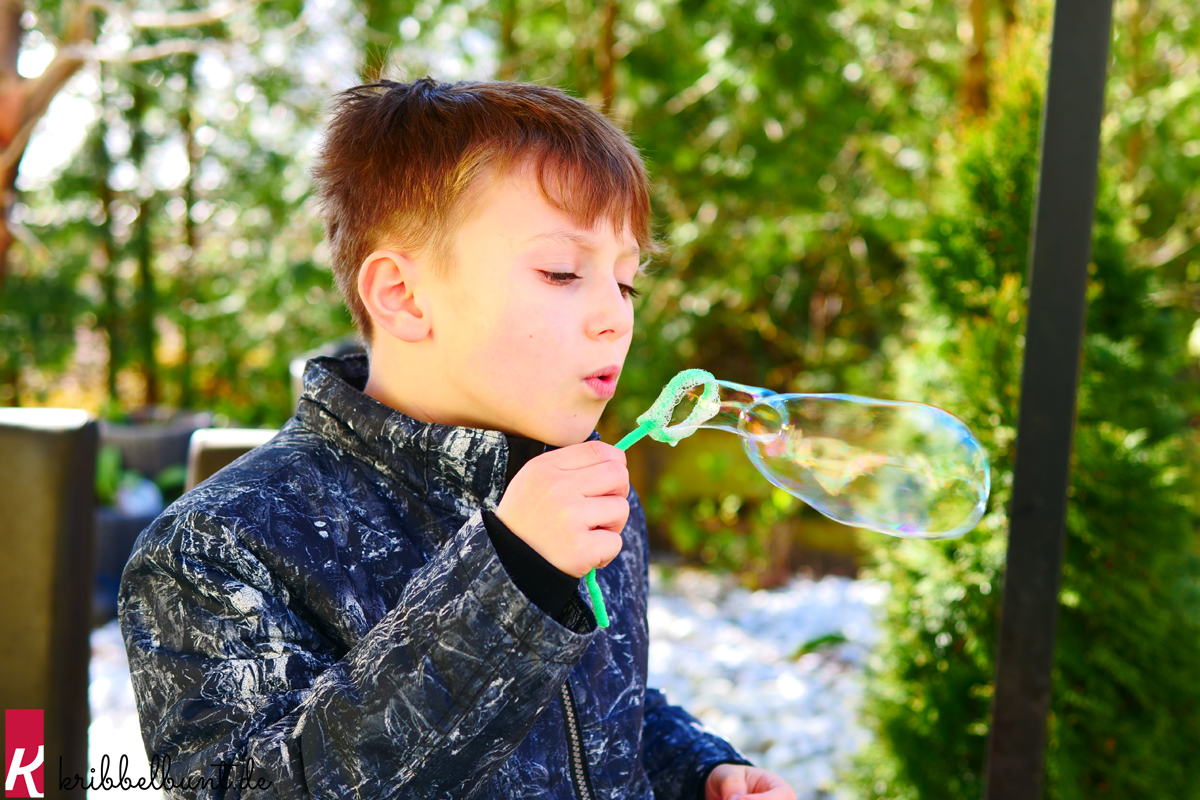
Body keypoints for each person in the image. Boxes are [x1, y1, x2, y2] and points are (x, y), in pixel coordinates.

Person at [119, 76, 797, 800]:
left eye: (626, 282)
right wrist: (511, 580)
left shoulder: (585, 498)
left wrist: (697, 771)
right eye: (562, 271)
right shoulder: (218, 548)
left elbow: (594, 713)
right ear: (404, 295)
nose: (615, 316)